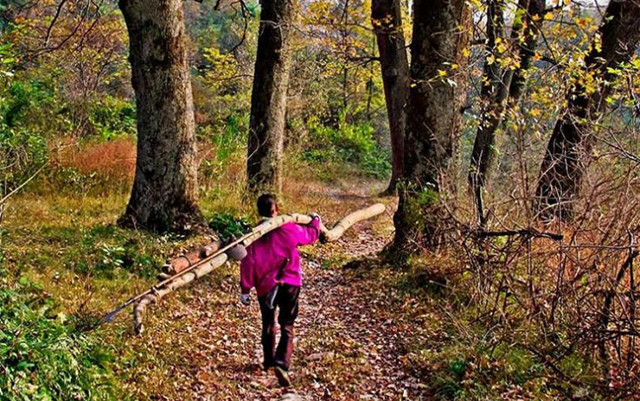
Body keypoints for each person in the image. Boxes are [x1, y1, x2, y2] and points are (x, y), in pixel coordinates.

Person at [239, 193, 321, 387]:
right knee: (287, 324)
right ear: (276, 210)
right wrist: (315, 221)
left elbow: (248, 262)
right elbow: (310, 235)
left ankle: (268, 362)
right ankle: (282, 363)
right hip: (290, 283)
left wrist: (245, 289)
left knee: (268, 323)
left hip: (266, 287)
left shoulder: (254, 236)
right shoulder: (288, 228)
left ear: (258, 211)